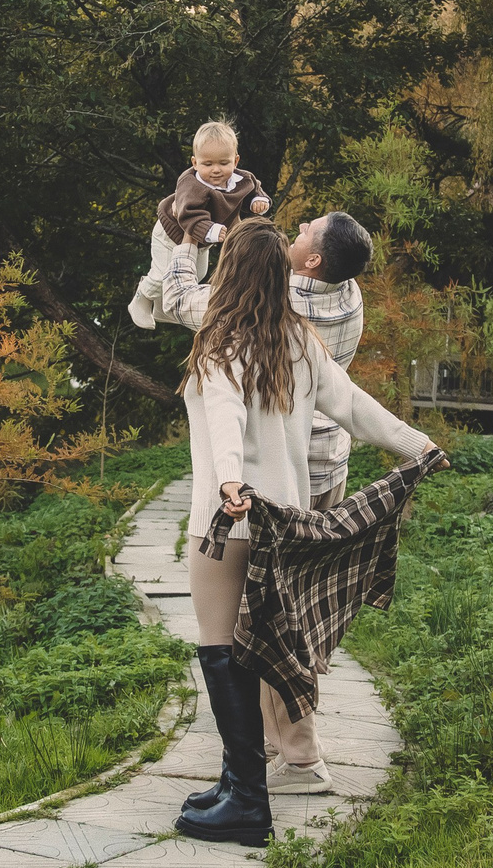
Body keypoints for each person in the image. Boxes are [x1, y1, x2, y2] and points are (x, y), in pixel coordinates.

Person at [163, 218, 441, 846]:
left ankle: (246, 799)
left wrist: (232, 482)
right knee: (261, 644)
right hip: (284, 523)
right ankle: (240, 779)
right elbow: (355, 407)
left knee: (220, 648)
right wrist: (416, 446)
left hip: (228, 521)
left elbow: (225, 416)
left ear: (229, 272)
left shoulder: (219, 345)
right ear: (279, 275)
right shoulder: (300, 341)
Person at [154, 208, 375, 793]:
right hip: (322, 475)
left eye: (306, 232)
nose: (297, 225)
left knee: (257, 627)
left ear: (311, 263)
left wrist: (185, 237)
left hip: (264, 489)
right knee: (287, 618)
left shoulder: (259, 312)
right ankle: (282, 753)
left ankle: (291, 758)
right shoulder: (345, 299)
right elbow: (352, 403)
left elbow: (178, 302)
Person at [126, 119, 269, 330]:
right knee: (162, 274)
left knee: (197, 274)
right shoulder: (190, 183)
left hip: (204, 240)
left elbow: (253, 191)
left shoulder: (243, 179)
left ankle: (161, 310)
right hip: (171, 234)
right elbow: (187, 214)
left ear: (235, 161)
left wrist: (258, 201)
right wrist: (210, 230)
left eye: (223, 163)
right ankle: (141, 297)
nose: (216, 170)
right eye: (207, 164)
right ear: (195, 163)